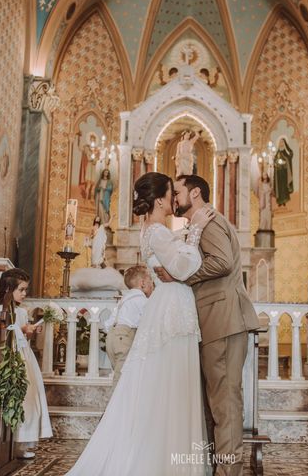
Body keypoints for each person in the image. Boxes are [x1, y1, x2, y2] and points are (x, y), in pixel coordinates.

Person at [67, 172, 215, 476]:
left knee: (171, 382)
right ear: (159, 199)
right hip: (172, 308)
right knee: (171, 383)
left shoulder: (155, 230)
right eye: (171, 194)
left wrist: (184, 244)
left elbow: (177, 265)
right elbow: (186, 265)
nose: (175, 199)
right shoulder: (157, 232)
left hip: (173, 305)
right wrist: (196, 230)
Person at [156, 174, 261, 476]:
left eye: (176, 192)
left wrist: (181, 276)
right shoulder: (198, 225)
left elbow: (223, 262)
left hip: (224, 319)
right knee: (215, 403)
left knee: (225, 404)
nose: (173, 198)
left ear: (196, 192)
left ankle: (229, 473)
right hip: (214, 320)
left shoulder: (211, 223)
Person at [0, 268, 52, 459]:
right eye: (21, 290)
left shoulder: (23, 312)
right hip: (6, 357)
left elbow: (22, 335)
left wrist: (30, 330)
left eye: (26, 290)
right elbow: (6, 329)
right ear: (8, 289)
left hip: (24, 357)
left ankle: (21, 444)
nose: (25, 294)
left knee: (28, 399)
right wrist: (23, 328)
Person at [105, 265, 153, 390]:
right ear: (142, 283)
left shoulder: (124, 299)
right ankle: (115, 408)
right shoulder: (141, 300)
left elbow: (108, 323)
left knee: (119, 371)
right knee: (121, 377)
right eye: (150, 281)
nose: (152, 285)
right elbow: (149, 322)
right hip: (124, 338)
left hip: (111, 337)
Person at [273, 138, 293, 206]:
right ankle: (279, 201)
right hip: (278, 172)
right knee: (279, 186)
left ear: (284, 144)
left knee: (284, 187)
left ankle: (284, 201)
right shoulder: (277, 152)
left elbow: (290, 156)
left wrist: (284, 162)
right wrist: (275, 162)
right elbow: (275, 160)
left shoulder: (286, 152)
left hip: (284, 172)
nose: (281, 144)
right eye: (280, 142)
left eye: (282, 142)